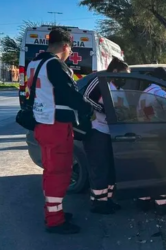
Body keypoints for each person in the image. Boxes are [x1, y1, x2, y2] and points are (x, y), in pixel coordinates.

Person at [28, 28, 93, 234]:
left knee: (50, 172)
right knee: (59, 173)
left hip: (42, 124)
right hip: (56, 127)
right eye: (70, 49)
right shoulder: (55, 65)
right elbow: (71, 95)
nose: (69, 53)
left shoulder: (34, 63)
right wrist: (89, 109)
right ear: (66, 46)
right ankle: (55, 220)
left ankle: (54, 212)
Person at [83, 57, 130, 214]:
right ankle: (98, 203)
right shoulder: (101, 81)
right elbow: (87, 98)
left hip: (113, 133)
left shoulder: (120, 90)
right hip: (97, 131)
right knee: (99, 168)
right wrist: (105, 110)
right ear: (115, 72)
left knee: (110, 168)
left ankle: (107, 199)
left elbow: (125, 109)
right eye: (124, 75)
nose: (125, 79)